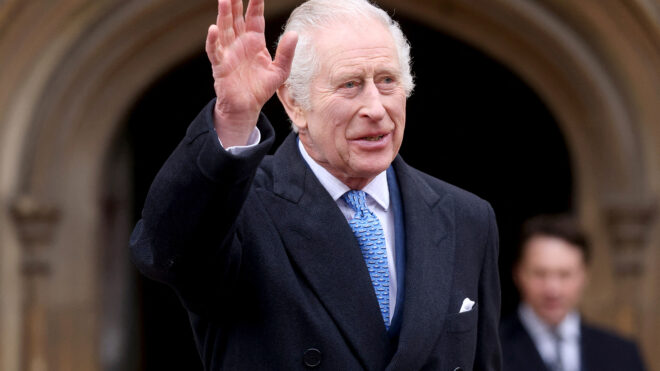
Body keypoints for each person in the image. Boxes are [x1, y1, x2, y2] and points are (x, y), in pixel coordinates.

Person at [130, 0, 501, 369]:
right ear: (294, 103)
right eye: (350, 85)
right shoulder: (239, 207)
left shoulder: (467, 217)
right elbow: (164, 253)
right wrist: (234, 118)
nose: (375, 107)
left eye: (387, 81)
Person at [500, 214, 646, 371]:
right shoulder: (491, 349)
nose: (552, 289)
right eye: (540, 274)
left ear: (585, 276)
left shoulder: (622, 354)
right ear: (518, 274)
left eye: (565, 274)